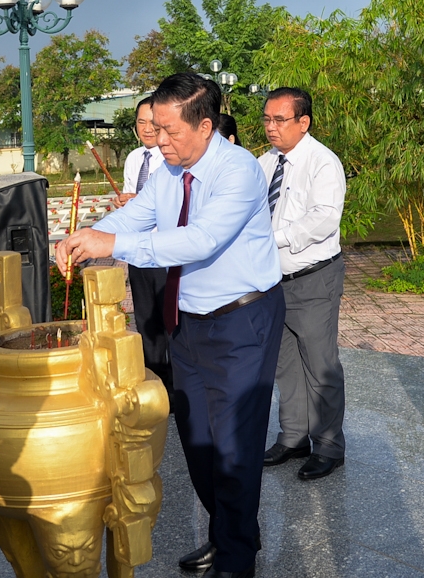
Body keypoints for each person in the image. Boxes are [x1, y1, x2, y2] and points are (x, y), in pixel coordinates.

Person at [55, 73, 282, 578]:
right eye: (155, 128)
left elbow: (198, 240)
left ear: (206, 126)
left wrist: (112, 247)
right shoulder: (170, 169)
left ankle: (235, 559)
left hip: (242, 321)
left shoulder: (237, 170)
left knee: (234, 449)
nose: (160, 140)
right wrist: (88, 235)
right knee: (198, 443)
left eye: (170, 130)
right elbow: (139, 215)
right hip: (189, 323)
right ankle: (232, 529)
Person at [257, 87, 347, 480]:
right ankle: (293, 437)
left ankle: (328, 445)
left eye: (280, 120)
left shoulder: (322, 162)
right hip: (271, 279)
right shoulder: (263, 163)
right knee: (285, 363)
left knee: (320, 364)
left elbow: (323, 218)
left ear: (303, 122)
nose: (271, 127)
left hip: (312, 278)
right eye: (267, 119)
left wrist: (271, 239)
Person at [116, 96, 172, 391]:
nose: (147, 128)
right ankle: (154, 381)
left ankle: (175, 386)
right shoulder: (134, 158)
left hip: (164, 250)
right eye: (141, 122)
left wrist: (140, 203)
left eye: (153, 121)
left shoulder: (172, 158)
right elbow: (132, 203)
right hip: (138, 251)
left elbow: (172, 205)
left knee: (170, 320)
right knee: (145, 318)